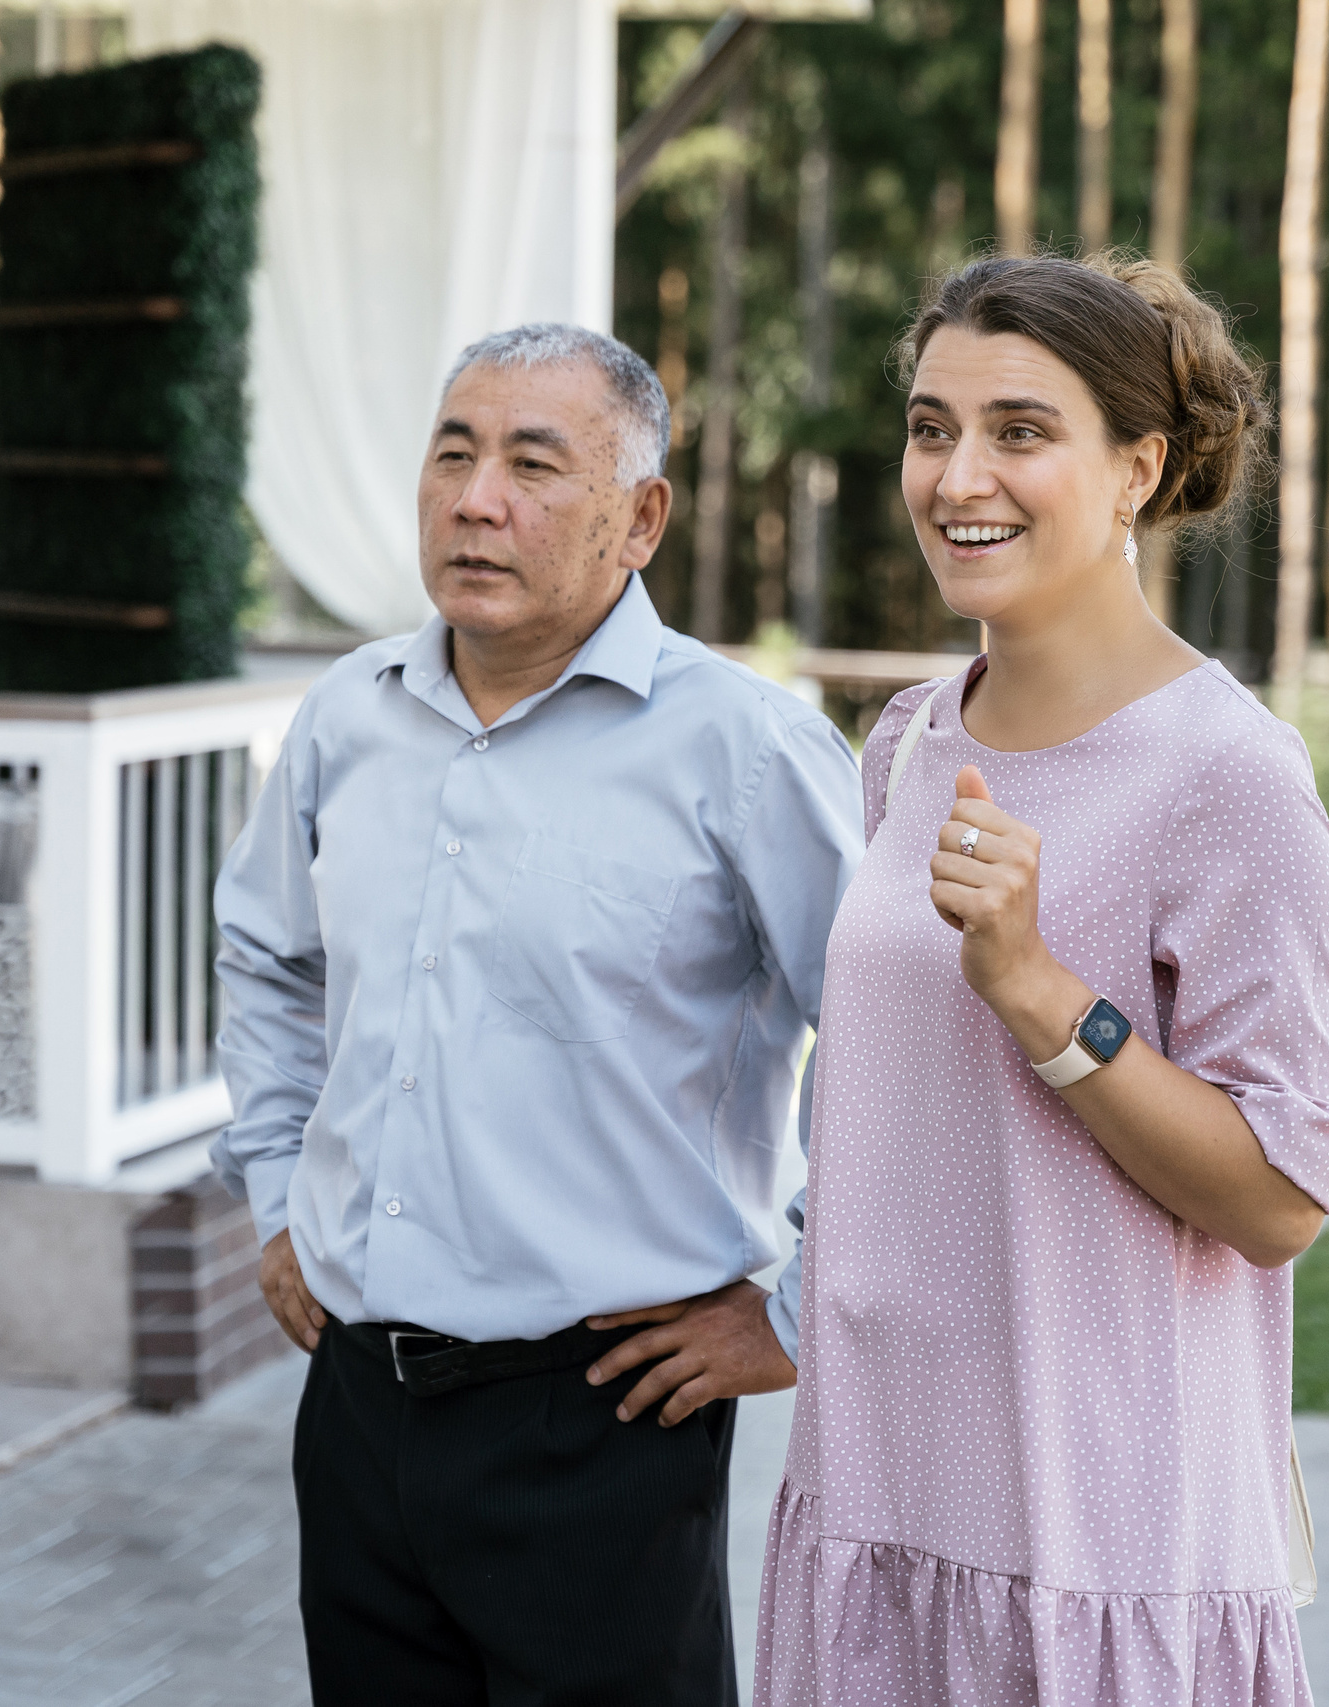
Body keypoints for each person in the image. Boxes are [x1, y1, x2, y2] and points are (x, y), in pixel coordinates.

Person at [210, 322, 863, 1704]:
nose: (476, 498)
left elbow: (888, 1046)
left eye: (531, 463)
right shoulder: (350, 717)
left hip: (607, 1419)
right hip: (358, 1404)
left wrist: (799, 1310)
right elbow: (269, 959)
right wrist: (275, 1193)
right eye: (454, 453)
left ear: (641, 519)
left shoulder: (744, 748)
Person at [753, 254, 1329, 1705]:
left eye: (1021, 430)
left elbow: (1280, 1197)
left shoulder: (1229, 776)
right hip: (879, 1514)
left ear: (1138, 468)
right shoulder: (907, 741)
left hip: (1095, 1547)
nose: (960, 474)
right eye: (930, 426)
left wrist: (1044, 997)